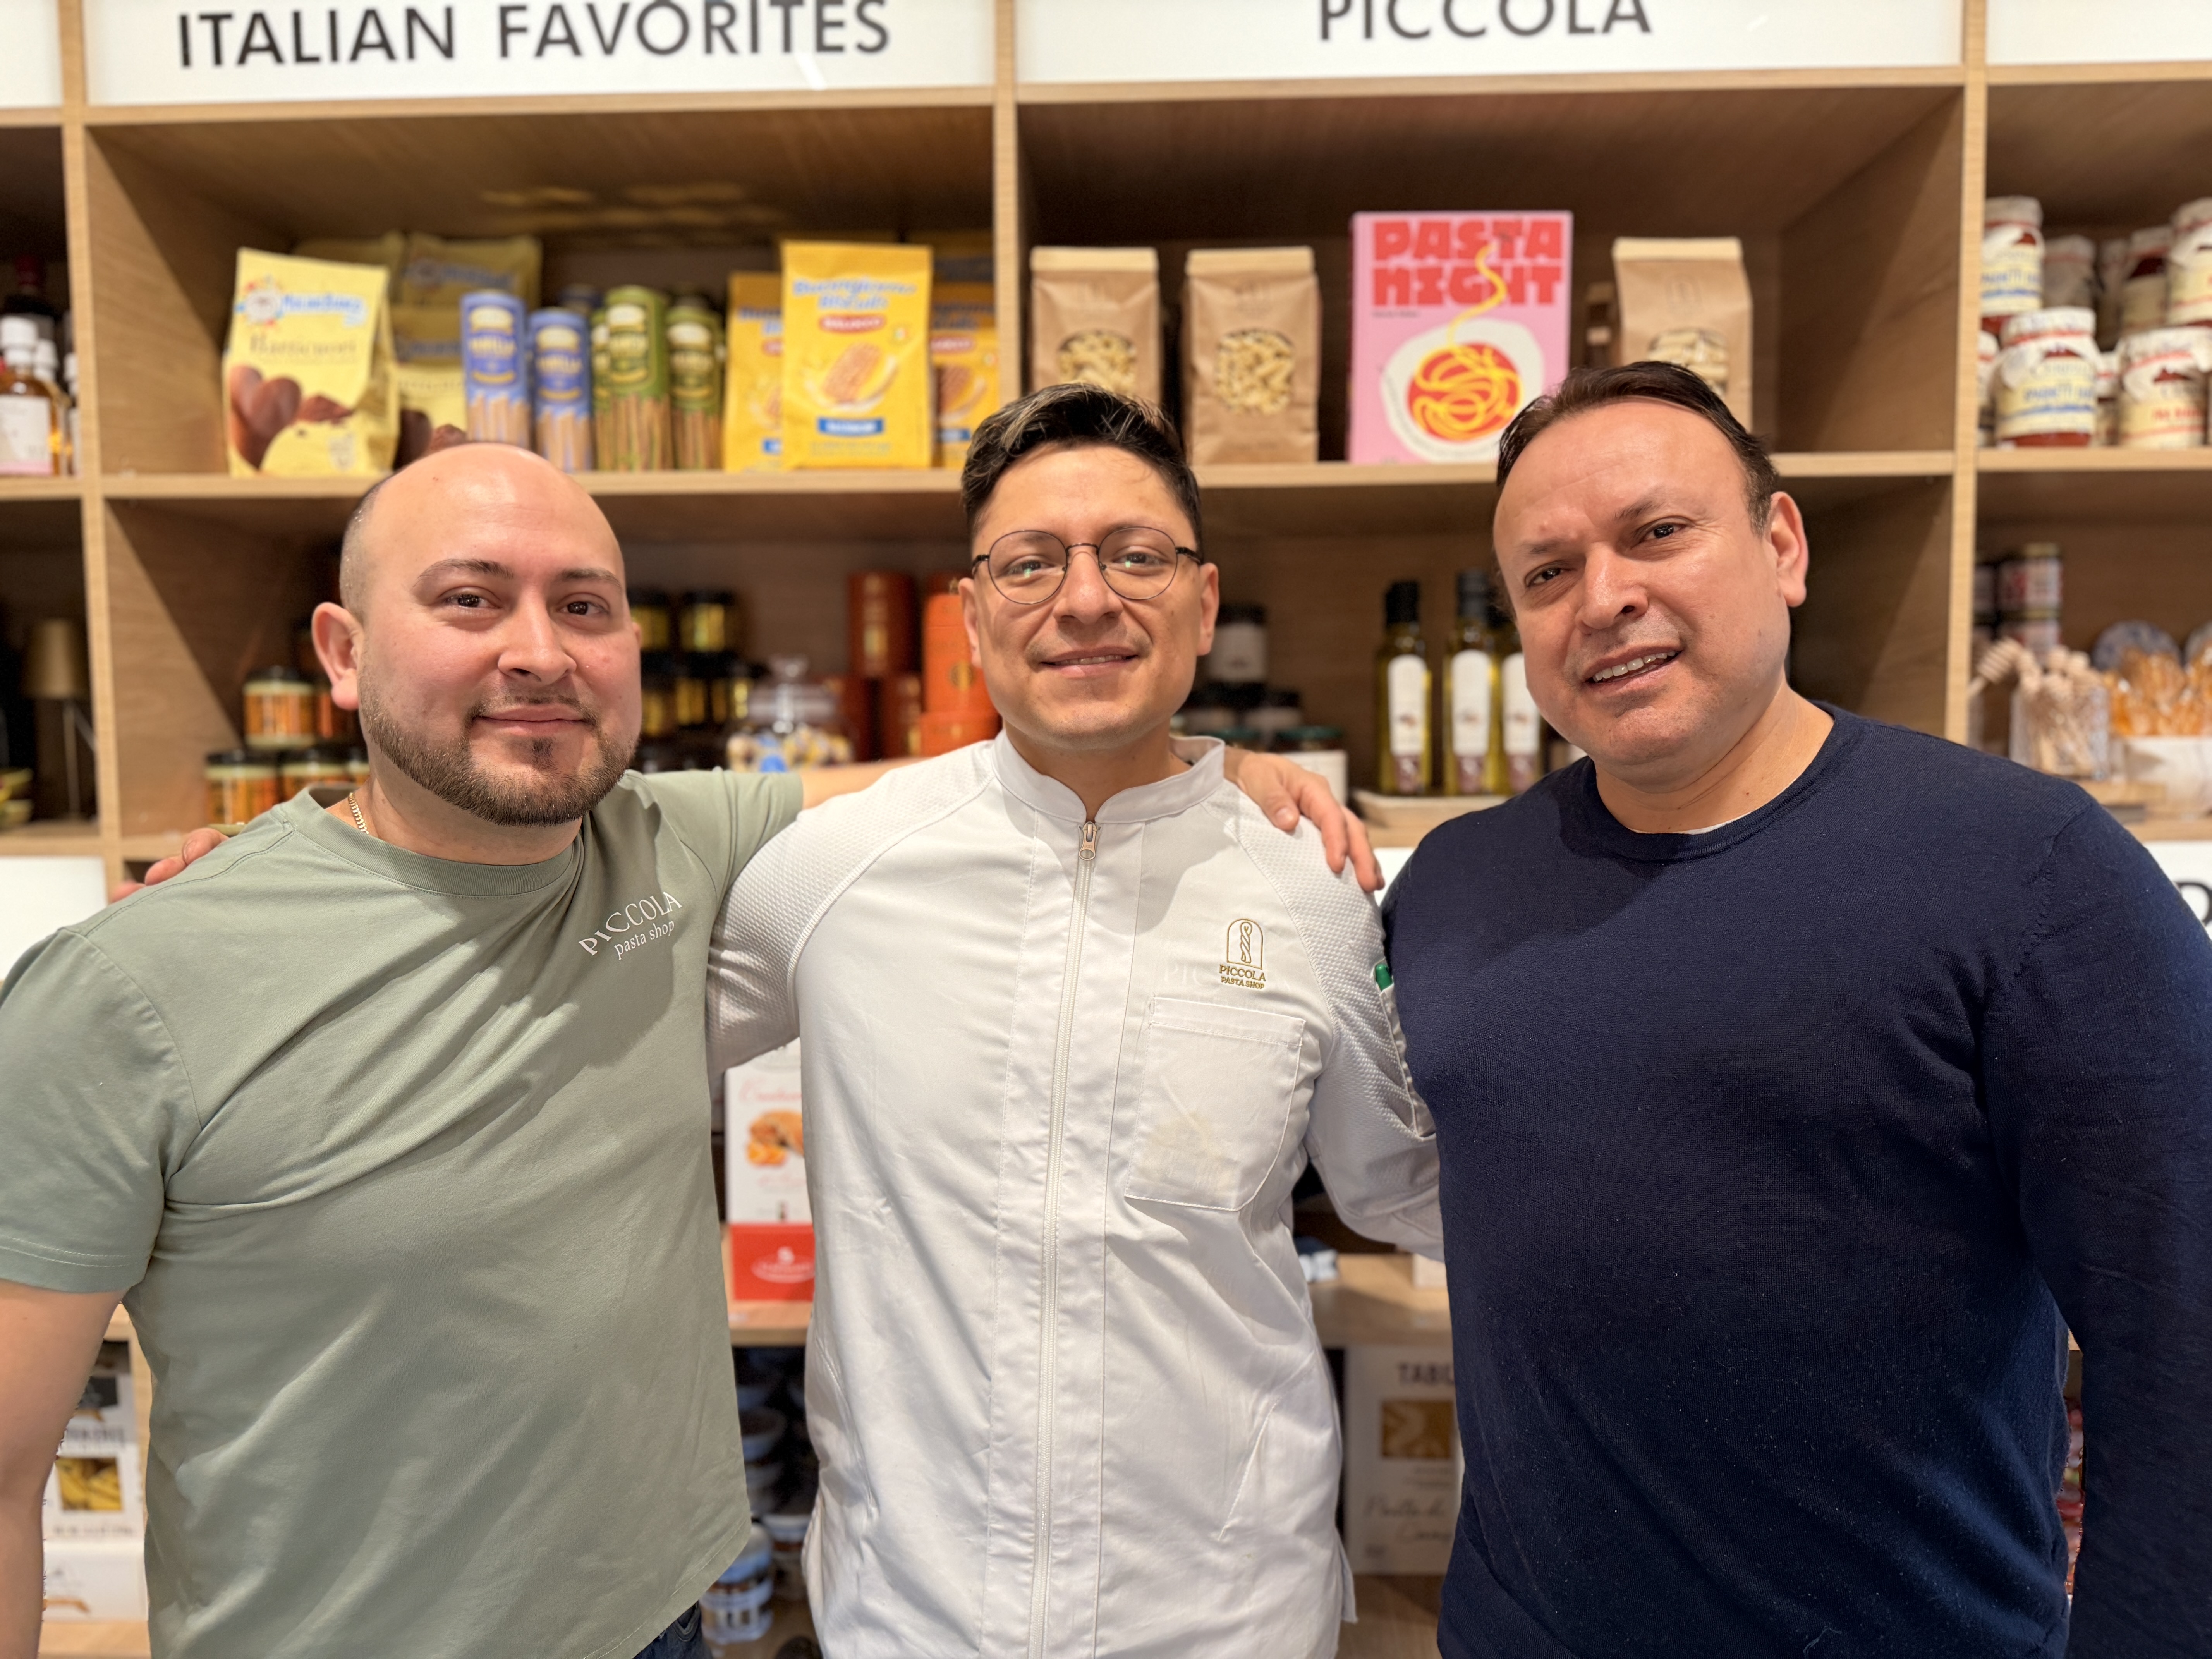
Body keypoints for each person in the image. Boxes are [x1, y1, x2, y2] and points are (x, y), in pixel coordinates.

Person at [0, 441, 1363, 1659]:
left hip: (660, 1616)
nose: (538, 651)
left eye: (584, 606)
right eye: (470, 600)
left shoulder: (675, 846)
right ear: (343, 653)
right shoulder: (130, 982)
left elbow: (994, 783)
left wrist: (1197, 772)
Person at [1384, 361, 2212, 1659]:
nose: (1605, 598)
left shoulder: (2031, 871)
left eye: (1658, 533)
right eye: (1547, 573)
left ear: (1783, 546)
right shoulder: (1451, 888)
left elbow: (2185, 1338)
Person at [707, 383, 1442, 1658]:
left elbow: (1403, 1186)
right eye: (1031, 561)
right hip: (911, 1615)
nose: (1087, 598)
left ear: (1204, 603)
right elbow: (599, 1011)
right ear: (973, 612)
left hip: (1232, 1617)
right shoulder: (836, 868)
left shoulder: (1310, 887)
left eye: (1137, 555)